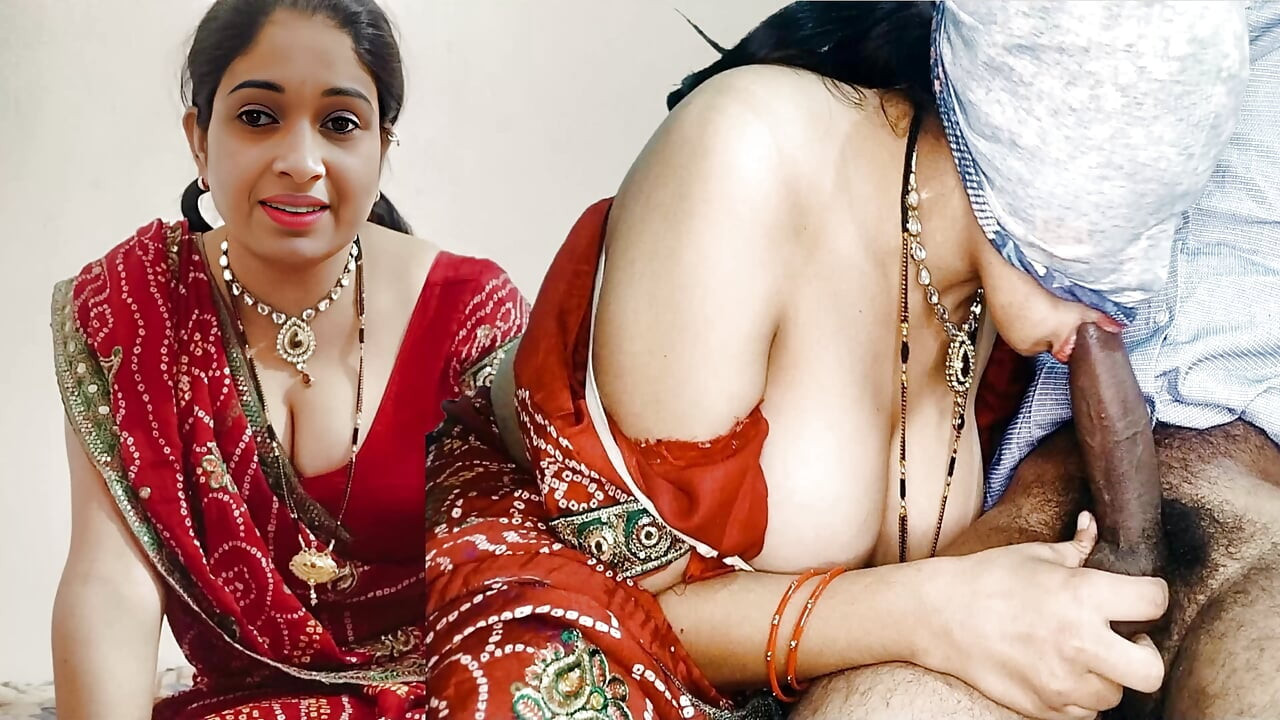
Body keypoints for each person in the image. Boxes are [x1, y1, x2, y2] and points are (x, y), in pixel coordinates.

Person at [425, 3, 1247, 719]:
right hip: (579, 595)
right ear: (1024, 137)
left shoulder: (1011, 293)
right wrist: (939, 612)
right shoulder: (745, 158)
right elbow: (639, 609)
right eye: (1117, 223)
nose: (1137, 294)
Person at [49, 2, 526, 718]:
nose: (301, 162)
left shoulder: (470, 314)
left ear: (382, 146)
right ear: (199, 139)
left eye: (340, 123)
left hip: (450, 696)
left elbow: (523, 571)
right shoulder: (133, 311)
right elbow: (110, 584)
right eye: (258, 117)